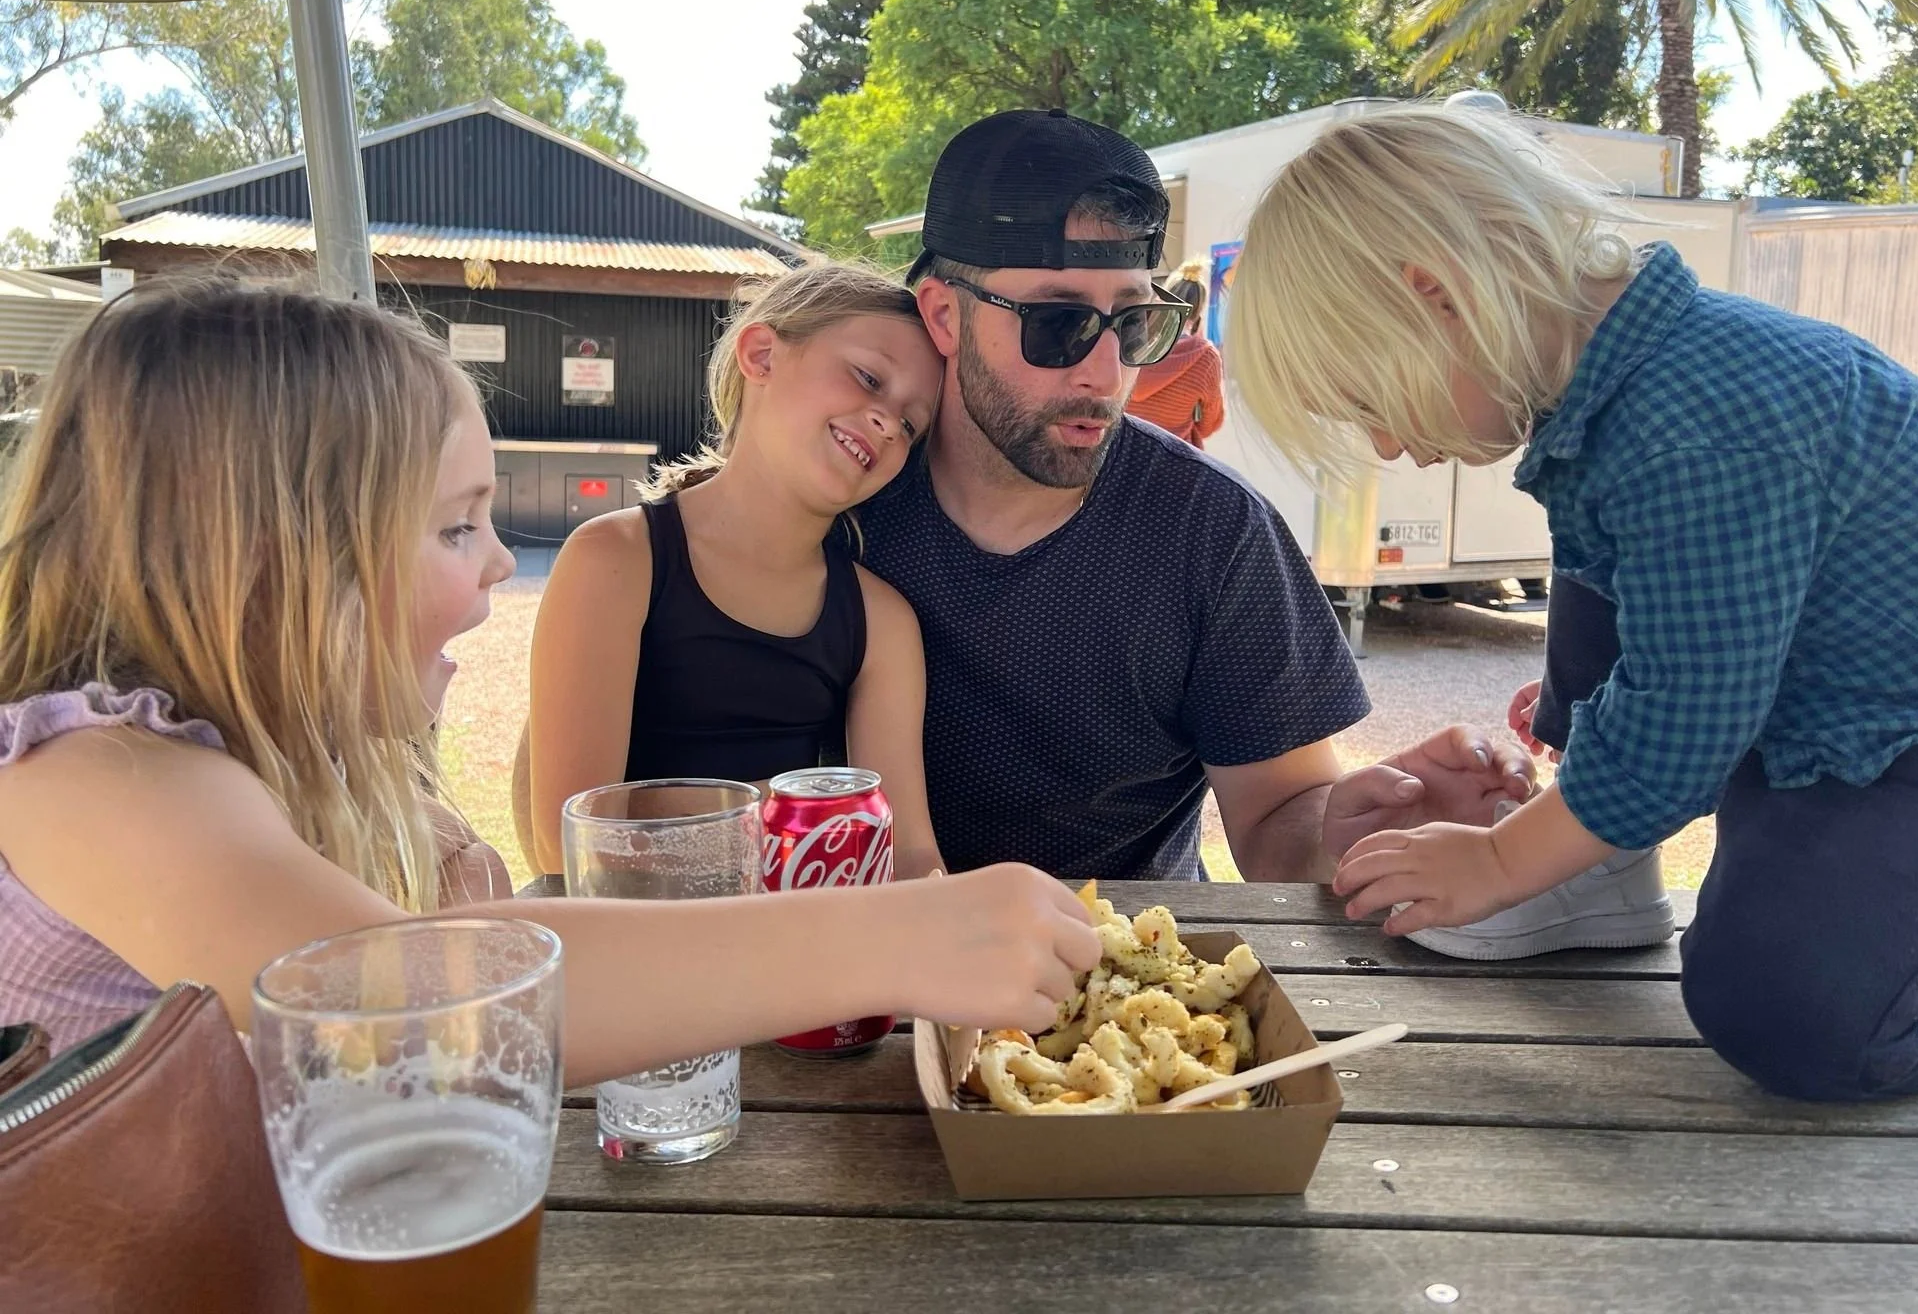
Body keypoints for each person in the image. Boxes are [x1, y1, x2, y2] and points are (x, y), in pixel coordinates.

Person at [0, 276, 1098, 1077]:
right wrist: (900, 936)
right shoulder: (94, 775)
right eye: (450, 528)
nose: (493, 561)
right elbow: (417, 1002)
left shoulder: (237, 777)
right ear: (266, 554)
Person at [1226, 100, 1918, 1102]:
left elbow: (1686, 711)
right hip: (1813, 724)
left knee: (1786, 1010)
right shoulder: (1627, 393)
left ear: (1433, 295)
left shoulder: (1702, 411)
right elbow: (1662, 623)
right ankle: (1597, 866)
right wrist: (1578, 754)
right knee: (1597, 568)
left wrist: (1497, 859)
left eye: (1366, 402)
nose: (1389, 449)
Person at [858, 107, 1538, 885]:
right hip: (874, 967)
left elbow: (1278, 822)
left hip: (1135, 981)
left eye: (1137, 322)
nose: (1106, 372)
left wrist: (1355, 831)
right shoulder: (846, 502)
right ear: (945, 315)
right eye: (1057, 324)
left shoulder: (1210, 528)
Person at [523, 262, 945, 880]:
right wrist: (796, 803)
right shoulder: (616, 560)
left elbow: (908, 853)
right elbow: (567, 848)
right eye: (867, 377)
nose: (887, 420)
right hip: (638, 950)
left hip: (802, 953)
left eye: (912, 423)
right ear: (763, 353)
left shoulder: (881, 620)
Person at [1126, 258, 1225, 447]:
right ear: (1199, 311)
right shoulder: (1206, 358)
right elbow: (1209, 425)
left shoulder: (1131, 340)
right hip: (1174, 464)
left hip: (1121, 457)